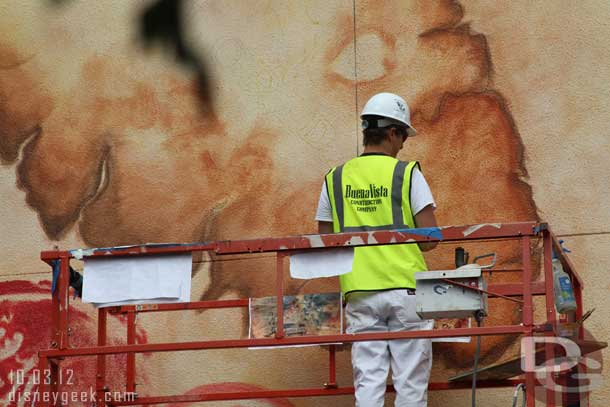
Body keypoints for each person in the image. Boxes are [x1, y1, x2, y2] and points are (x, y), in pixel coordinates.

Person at [315, 92, 438, 407]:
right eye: (403, 137)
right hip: (406, 290)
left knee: (368, 383)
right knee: (410, 383)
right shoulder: (407, 173)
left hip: (360, 292)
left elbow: (326, 241)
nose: (403, 145)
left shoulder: (335, 178)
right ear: (393, 133)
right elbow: (430, 237)